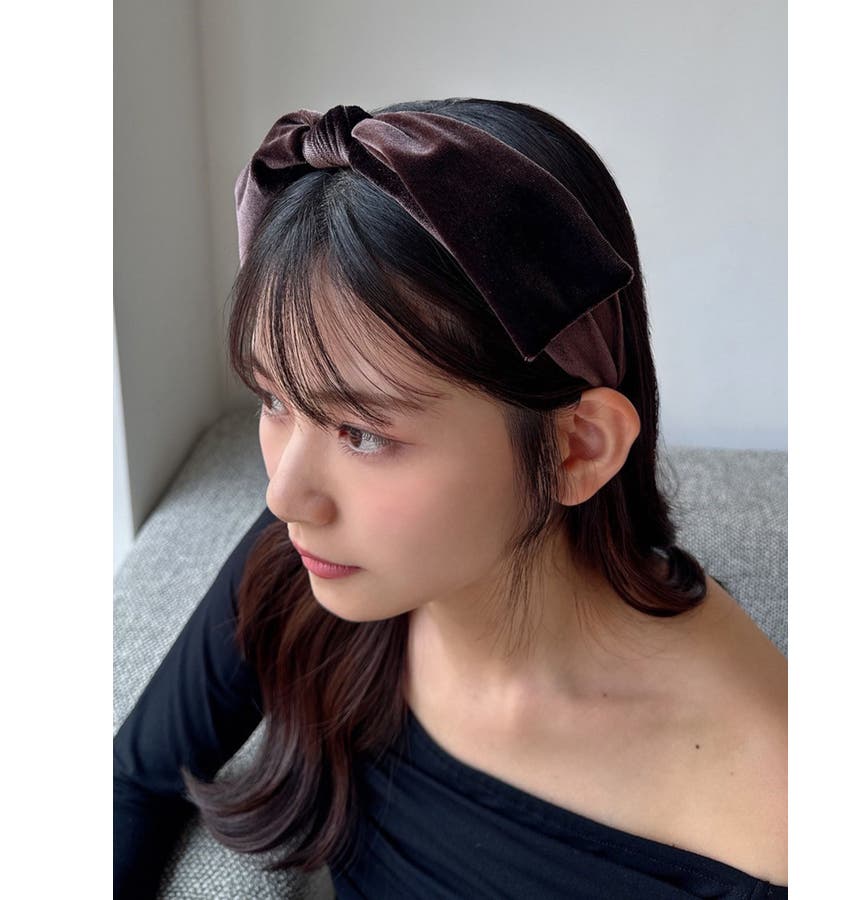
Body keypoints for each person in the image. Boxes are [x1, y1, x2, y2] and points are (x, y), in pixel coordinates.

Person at [114, 97, 788, 899]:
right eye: (273, 399)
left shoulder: (775, 807)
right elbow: (134, 782)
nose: (285, 494)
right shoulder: (310, 567)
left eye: (363, 433)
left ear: (577, 448)